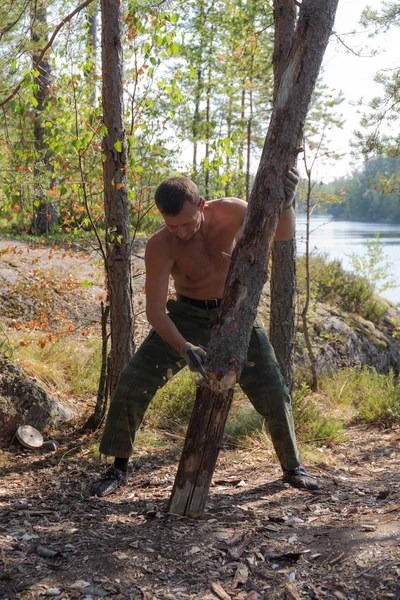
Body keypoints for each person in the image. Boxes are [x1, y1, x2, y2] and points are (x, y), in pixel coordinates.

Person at [92, 171, 320, 497]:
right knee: (132, 382)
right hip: (185, 316)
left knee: (273, 387)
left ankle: (292, 467)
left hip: (235, 315)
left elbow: (284, 235)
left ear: (201, 204)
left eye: (187, 223)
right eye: (173, 226)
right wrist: (184, 348)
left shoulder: (233, 211)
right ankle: (117, 468)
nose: (181, 232)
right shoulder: (160, 246)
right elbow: (156, 312)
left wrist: (286, 202)